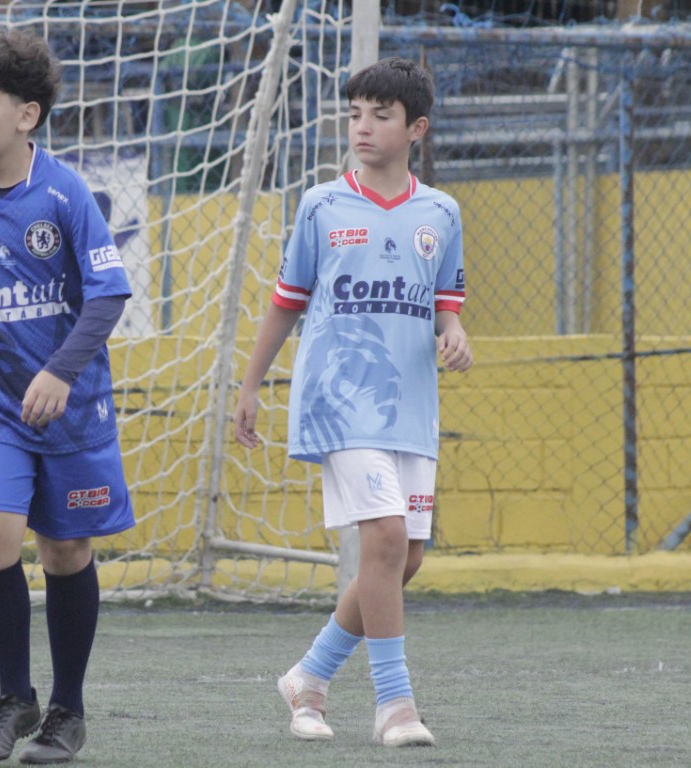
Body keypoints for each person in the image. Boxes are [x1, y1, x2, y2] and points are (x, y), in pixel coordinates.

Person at [233, 57, 473, 748]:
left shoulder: (441, 213)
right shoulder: (321, 205)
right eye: (355, 114)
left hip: (411, 408)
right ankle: (395, 706)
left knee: (405, 559)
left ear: (416, 129)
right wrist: (250, 385)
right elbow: (286, 302)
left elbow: (446, 303)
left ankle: (310, 676)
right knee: (386, 539)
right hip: (338, 402)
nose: (362, 127)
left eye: (380, 115)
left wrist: (454, 333)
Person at [0, 29, 135, 765]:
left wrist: (60, 372)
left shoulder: (64, 191)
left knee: (65, 549)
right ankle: (13, 697)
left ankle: (66, 710)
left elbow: (108, 294)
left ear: (26, 115)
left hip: (70, 404)